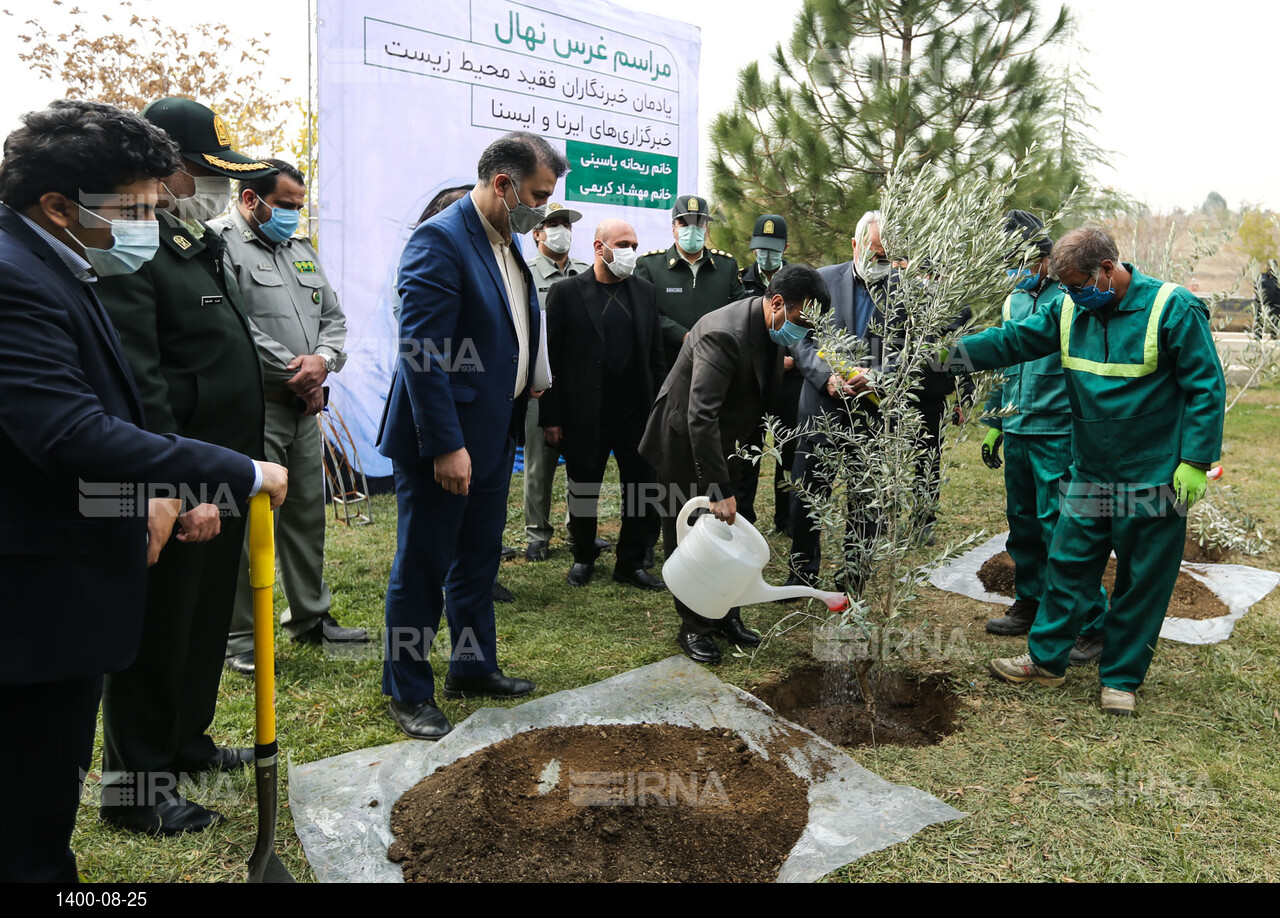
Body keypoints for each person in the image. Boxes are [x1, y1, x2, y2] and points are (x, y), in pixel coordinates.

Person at [0, 99, 287, 882]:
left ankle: (175, 752)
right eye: (134, 208)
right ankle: (123, 800)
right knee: (29, 806)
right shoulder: (14, 275)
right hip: (38, 577)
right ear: (59, 204)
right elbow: (71, 429)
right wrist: (225, 474)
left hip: (121, 503)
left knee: (179, 644)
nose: (151, 221)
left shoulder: (63, 257)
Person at [94, 97, 275, 836]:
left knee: (202, 619)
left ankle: (186, 741)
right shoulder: (127, 240)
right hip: (179, 471)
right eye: (193, 169)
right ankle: (135, 789)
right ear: (161, 164)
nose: (199, 182)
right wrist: (177, 487)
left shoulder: (180, 230)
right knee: (160, 626)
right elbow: (140, 373)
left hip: (221, 461)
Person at [958, 226, 1226, 716]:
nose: (1074, 297)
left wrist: (1194, 461)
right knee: (1067, 563)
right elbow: (1013, 340)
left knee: (1142, 580)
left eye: (1080, 285)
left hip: (1153, 476)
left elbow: (1206, 388)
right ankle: (1046, 662)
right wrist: (951, 357)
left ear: (1108, 269)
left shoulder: (1171, 308)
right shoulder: (1068, 308)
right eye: (1067, 288)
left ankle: (1120, 679)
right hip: (1091, 472)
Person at [377, 131, 564, 739]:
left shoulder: (505, 242)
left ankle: (472, 665)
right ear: (503, 184)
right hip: (447, 442)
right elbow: (423, 353)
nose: (543, 208)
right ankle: (406, 688)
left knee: (479, 558)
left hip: (492, 431)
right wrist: (445, 446)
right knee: (423, 566)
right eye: (537, 194)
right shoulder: (441, 241)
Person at [213, 158, 367, 676]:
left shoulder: (300, 251)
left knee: (306, 514)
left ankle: (309, 617)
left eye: (299, 207)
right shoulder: (217, 244)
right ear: (251, 199)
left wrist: (323, 363)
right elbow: (229, 325)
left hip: (307, 407)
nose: (293, 217)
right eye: (284, 206)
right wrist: (294, 372)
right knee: (253, 520)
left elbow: (334, 319)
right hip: (255, 407)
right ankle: (239, 638)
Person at [640, 265, 831, 665]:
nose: (804, 333)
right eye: (802, 321)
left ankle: (727, 615)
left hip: (733, 444)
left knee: (734, 531)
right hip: (685, 446)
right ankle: (694, 627)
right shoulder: (723, 334)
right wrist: (717, 488)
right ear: (778, 303)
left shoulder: (772, 326)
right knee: (693, 536)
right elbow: (700, 416)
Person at [980, 212, 1106, 665]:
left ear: (1044, 257)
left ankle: (1092, 625)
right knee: (1024, 525)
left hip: (1056, 430)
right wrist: (994, 421)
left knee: (1062, 532)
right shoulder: (1013, 300)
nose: (1014, 269)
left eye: (1020, 260)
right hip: (1016, 427)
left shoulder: (1070, 298)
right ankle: (1029, 603)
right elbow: (1003, 358)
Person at [540, 219, 666, 591]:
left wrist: (659, 409)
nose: (631, 251)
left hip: (636, 414)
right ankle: (583, 556)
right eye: (623, 244)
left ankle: (630, 562)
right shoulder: (565, 293)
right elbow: (552, 361)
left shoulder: (644, 291)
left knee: (642, 489)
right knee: (583, 490)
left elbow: (656, 356)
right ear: (599, 248)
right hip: (584, 414)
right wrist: (552, 417)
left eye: (635, 244)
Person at [787, 210, 895, 592]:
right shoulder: (822, 281)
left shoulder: (904, 291)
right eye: (873, 252)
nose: (879, 261)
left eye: (886, 255)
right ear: (854, 245)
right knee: (807, 496)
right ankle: (801, 573)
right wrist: (825, 377)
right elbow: (799, 338)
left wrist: (879, 378)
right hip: (821, 410)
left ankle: (855, 576)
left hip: (872, 415)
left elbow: (914, 349)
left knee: (865, 502)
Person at [523, 202, 592, 563]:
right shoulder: (525, 274)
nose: (560, 230)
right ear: (536, 233)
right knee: (539, 462)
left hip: (579, 383)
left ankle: (577, 529)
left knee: (580, 460)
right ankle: (537, 534)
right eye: (552, 224)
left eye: (565, 224)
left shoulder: (585, 274)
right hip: (540, 382)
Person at [635, 194, 746, 372]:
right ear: (673, 228)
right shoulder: (650, 265)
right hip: (667, 365)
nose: (692, 229)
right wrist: (683, 335)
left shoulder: (726, 265)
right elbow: (645, 312)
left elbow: (740, 310)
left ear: (706, 228)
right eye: (684, 223)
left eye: (699, 223)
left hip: (716, 363)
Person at [740, 214, 800, 531]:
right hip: (749, 382)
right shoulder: (740, 281)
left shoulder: (799, 283)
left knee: (787, 452)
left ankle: (785, 520)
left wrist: (790, 360)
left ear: (785, 247)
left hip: (787, 380)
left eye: (773, 249)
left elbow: (811, 329)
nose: (766, 255)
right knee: (746, 450)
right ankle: (743, 517)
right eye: (761, 249)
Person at [1254, 259, 1280, 339]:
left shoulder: (1278, 278)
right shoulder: (1262, 277)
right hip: (1263, 302)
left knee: (1275, 321)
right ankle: (1258, 336)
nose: (1270, 268)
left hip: (1275, 304)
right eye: (1269, 266)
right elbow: (1256, 287)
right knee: (1260, 319)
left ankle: (1274, 336)